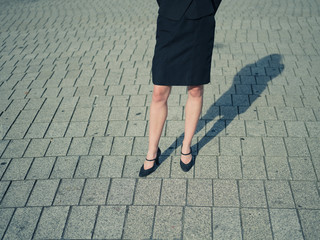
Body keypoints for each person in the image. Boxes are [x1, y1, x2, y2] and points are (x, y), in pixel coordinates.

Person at [139, 0, 222, 177]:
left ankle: (186, 146)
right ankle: (152, 151)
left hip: (200, 22)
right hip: (170, 20)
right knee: (159, 92)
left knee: (195, 89)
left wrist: (207, 7)